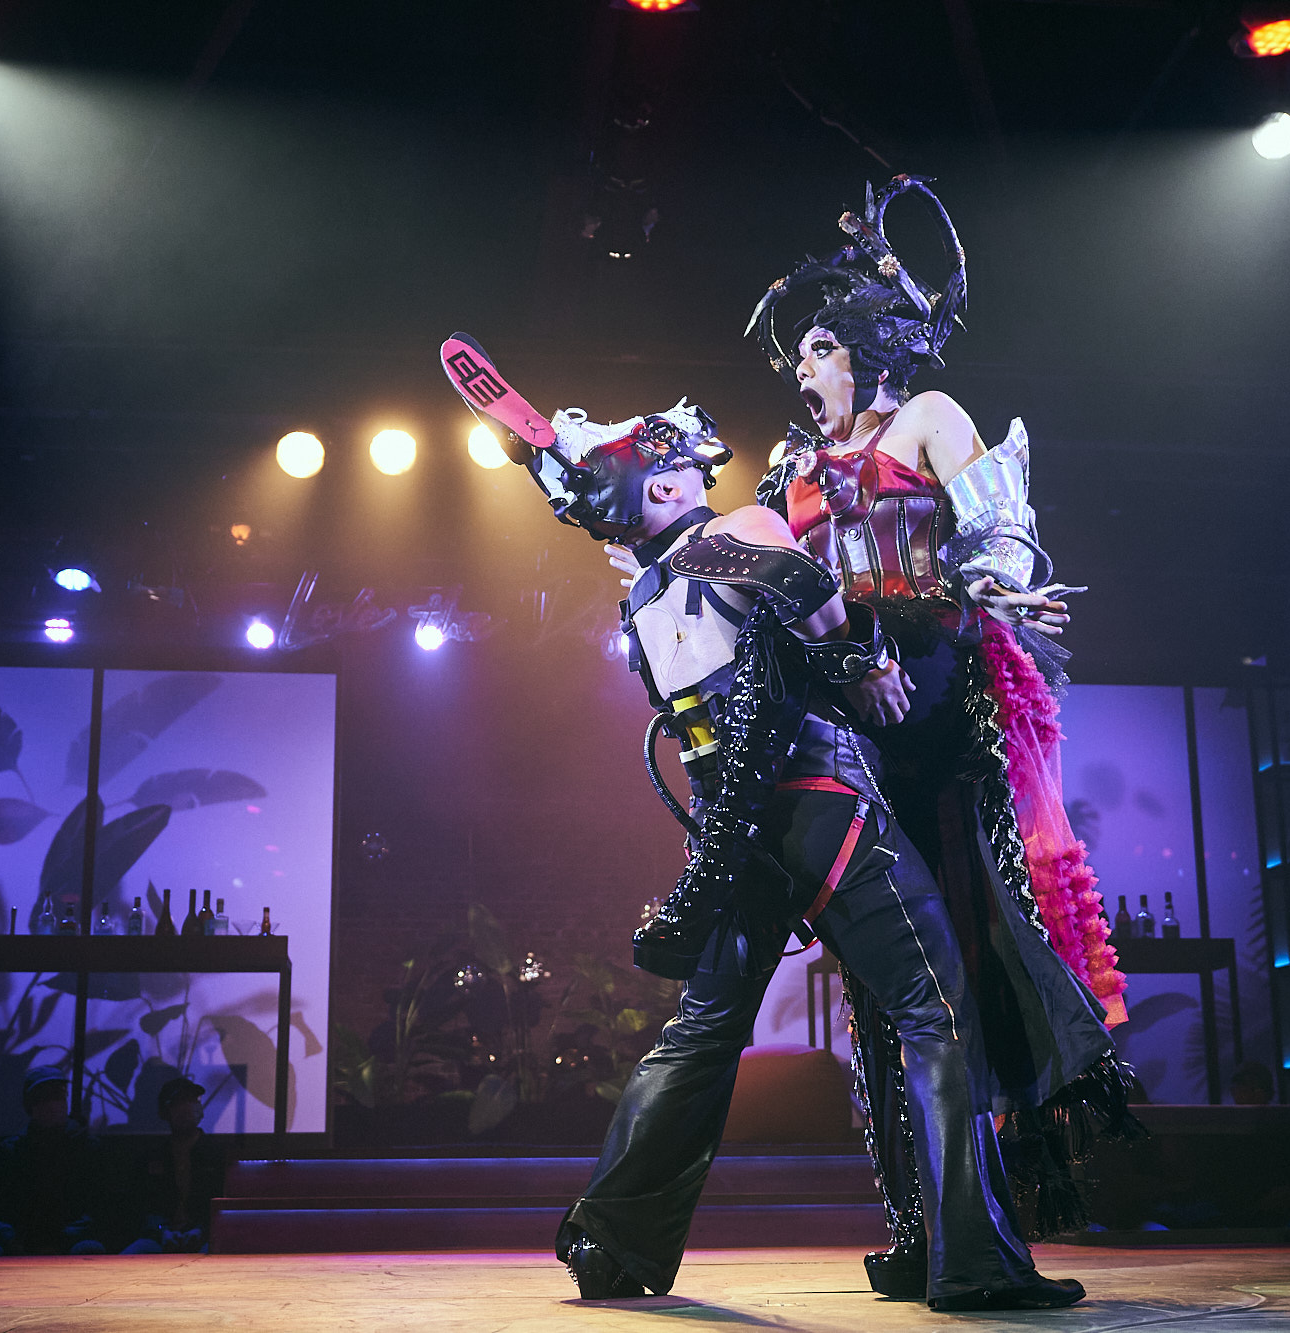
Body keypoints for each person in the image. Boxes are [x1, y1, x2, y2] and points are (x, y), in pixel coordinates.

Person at [440, 334, 1086, 1311]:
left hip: (729, 830)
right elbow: (807, 597)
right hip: (817, 807)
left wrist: (558, 460)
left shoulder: (643, 598)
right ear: (660, 488)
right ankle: (975, 1266)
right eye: (659, 462)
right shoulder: (734, 530)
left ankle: (609, 1242)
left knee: (701, 1030)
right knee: (936, 1010)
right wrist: (876, 659)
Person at [736, 176, 1138, 1296]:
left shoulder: (926, 417)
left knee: (962, 970)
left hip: (933, 717)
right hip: (846, 733)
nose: (802, 371)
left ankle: (978, 1232)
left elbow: (1001, 540)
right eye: (797, 358)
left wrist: (976, 595)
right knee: (888, 994)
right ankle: (924, 1228)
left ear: (864, 344)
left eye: (818, 347)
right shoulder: (789, 471)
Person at [0, 1068, 105, 1255]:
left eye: (58, 1096)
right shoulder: (11, 1151)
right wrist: (9, 1237)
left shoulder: (87, 1148)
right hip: (17, 1242)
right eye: (44, 1097)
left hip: (71, 1242)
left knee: (88, 1250)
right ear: (31, 1105)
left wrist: (64, 1237)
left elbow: (100, 1206)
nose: (53, 1105)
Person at [127, 1077, 227, 1252]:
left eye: (193, 1100)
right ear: (165, 1112)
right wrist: (162, 1231)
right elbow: (143, 1206)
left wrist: (201, 1230)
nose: (187, 1107)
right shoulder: (153, 1156)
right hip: (159, 1239)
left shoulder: (217, 1154)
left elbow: (223, 1204)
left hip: (205, 1238)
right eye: (179, 1102)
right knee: (131, 1257)